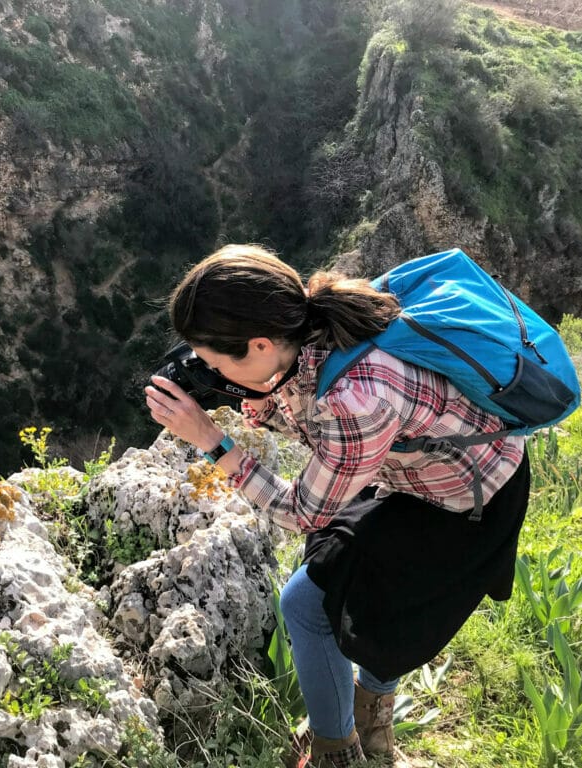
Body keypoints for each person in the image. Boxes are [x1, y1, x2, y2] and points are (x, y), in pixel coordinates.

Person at [144, 244, 530, 768]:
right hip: (417, 473)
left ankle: (337, 751)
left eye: (216, 363)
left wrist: (214, 441)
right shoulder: (312, 322)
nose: (214, 375)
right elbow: (324, 424)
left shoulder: (357, 397)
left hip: (467, 499)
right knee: (363, 597)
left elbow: (304, 510)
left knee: (305, 605)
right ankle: (371, 718)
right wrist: (259, 401)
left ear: (260, 344)